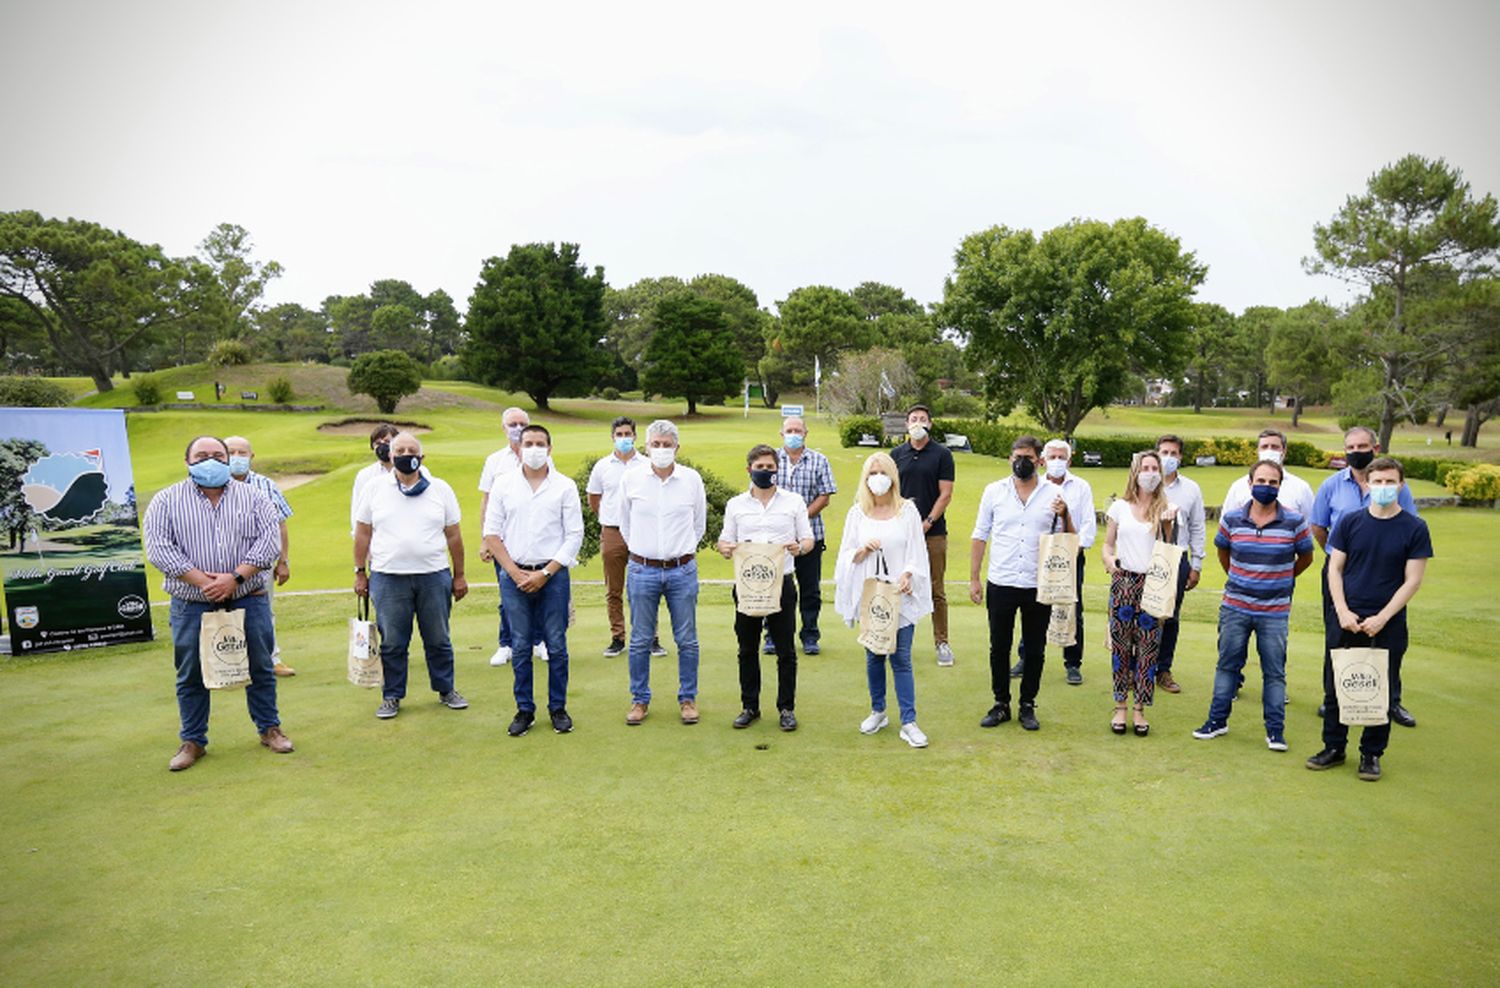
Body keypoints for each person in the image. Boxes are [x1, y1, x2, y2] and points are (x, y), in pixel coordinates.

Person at [143, 436, 293, 771]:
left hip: (247, 596)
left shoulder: (254, 497)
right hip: (191, 603)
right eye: (202, 455)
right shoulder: (166, 501)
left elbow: (269, 542)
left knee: (260, 666)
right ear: (187, 461)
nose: (210, 460)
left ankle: (270, 729)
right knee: (190, 673)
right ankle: (193, 740)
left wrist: (233, 579)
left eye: (217, 455)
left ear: (227, 460)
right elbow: (159, 549)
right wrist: (204, 581)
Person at [1308, 458, 1432, 781]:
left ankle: (1371, 754)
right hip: (1346, 616)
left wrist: (1382, 617)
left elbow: (1413, 580)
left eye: (1390, 482)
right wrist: (1343, 610)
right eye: (1377, 482)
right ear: (1367, 485)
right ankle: (1333, 747)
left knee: (1380, 687)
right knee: (1337, 684)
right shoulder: (1349, 522)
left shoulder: (1414, 528)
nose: (1383, 488)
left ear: (1401, 485)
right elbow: (1334, 568)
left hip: (1387, 620)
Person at [1193, 460, 1314, 750]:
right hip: (1235, 606)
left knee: (1274, 672)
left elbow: (1306, 558)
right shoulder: (1233, 519)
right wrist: (1239, 577)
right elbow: (1223, 551)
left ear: (1280, 486)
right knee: (1227, 666)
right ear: (1249, 484)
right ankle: (1216, 721)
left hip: (1274, 611)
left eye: (1273, 482)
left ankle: (1275, 731)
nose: (1266, 486)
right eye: (1261, 481)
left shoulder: (1294, 521)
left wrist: (1282, 577)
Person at [353, 432, 470, 720]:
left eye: (412, 450)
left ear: (422, 457)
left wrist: (460, 575)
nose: (406, 454)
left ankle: (446, 689)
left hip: (434, 575)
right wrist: (359, 572)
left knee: (438, 638)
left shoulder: (440, 489)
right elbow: (363, 532)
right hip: (388, 577)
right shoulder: (374, 488)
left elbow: (453, 535)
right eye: (400, 450)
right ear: (391, 456)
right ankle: (392, 695)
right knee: (393, 641)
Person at [1310, 426, 1420, 727]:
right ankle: (1333, 697)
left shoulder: (1397, 487)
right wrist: (1338, 556)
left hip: (1386, 575)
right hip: (1340, 570)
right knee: (1337, 635)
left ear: (1376, 447)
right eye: (1350, 447)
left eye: (1361, 446)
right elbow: (1319, 527)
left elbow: (1408, 523)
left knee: (1391, 640)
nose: (1355, 451)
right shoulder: (1331, 485)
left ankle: (1391, 701)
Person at [484, 424, 583, 737]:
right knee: (521, 643)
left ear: (550, 449)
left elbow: (574, 535)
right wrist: (514, 572)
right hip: (513, 574)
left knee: (556, 642)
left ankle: (558, 708)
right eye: (529, 443)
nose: (534, 448)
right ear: (518, 448)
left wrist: (545, 573)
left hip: (552, 575)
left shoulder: (565, 486)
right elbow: (492, 534)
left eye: (540, 443)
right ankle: (524, 709)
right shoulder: (503, 485)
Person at [834, 452, 933, 748]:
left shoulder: (907, 511)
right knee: (874, 655)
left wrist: (909, 575)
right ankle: (878, 710)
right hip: (871, 596)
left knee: (901, 657)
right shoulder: (858, 513)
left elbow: (917, 552)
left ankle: (909, 721)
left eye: (882, 471)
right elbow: (844, 555)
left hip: (898, 595)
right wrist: (861, 551)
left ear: (892, 476)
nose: (877, 477)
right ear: (865, 478)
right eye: (872, 473)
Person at [970, 436, 1068, 732]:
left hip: (1038, 583)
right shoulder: (994, 492)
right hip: (1001, 579)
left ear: (1039, 460)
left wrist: (1066, 513)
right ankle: (1001, 703)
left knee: (1035, 649)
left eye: (1027, 456)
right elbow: (980, 533)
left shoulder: (1054, 493)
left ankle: (1028, 704)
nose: (1020, 461)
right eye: (1016, 456)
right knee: (999, 646)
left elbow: (1066, 538)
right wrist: (974, 577)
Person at [717, 444, 814, 731]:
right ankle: (750, 706)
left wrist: (800, 548)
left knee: (786, 650)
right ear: (749, 470)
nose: (765, 472)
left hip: (781, 583)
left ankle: (786, 708)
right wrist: (725, 548)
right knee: (747, 648)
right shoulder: (736, 505)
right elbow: (725, 540)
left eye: (770, 468)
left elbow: (807, 539)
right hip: (747, 586)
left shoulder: (793, 502)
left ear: (777, 470)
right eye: (760, 467)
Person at [619, 419, 706, 726]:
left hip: (682, 570)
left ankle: (687, 698)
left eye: (666, 445)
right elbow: (625, 523)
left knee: (687, 639)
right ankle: (639, 700)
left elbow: (698, 524)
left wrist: (679, 552)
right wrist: (645, 553)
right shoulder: (632, 479)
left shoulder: (691, 480)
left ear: (676, 447)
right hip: (642, 569)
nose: (661, 449)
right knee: (641, 639)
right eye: (655, 444)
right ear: (646, 446)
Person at [1101, 451, 1180, 737]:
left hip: (1154, 585)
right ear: (1135, 472)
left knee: (1148, 648)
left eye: (1154, 468)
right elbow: (1107, 546)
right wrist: (1110, 563)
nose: (1150, 472)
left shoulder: (1166, 507)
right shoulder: (1120, 507)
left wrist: (1168, 523)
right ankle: (1120, 706)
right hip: (1124, 582)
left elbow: (1169, 549)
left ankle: (1139, 710)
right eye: (1145, 467)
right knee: (1121, 647)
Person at [1010, 438, 1095, 686]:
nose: (1057, 461)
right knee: (1034, 606)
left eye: (1062, 457)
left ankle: (1073, 663)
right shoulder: (1033, 485)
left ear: (1069, 460)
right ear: (1042, 460)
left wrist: (1076, 548)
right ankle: (1027, 658)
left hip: (1071, 555)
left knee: (1072, 606)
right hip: (1039, 556)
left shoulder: (1081, 487)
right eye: (1052, 457)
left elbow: (1088, 523)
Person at [585, 416, 662, 659]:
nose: (624, 439)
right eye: (619, 435)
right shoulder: (602, 466)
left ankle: (651, 637)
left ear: (635, 436)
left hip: (642, 531)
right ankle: (618, 637)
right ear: (612, 437)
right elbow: (594, 498)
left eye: (628, 434)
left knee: (646, 586)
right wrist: (610, 517)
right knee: (614, 588)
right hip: (613, 531)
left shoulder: (647, 463)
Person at [763, 415, 837, 656]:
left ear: (806, 433)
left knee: (809, 588)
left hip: (810, 535)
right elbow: (761, 492)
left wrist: (800, 521)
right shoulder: (770, 460)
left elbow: (824, 496)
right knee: (774, 587)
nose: (793, 434)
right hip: (775, 537)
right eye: (789, 430)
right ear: (781, 433)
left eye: (798, 430)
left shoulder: (819, 460)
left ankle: (810, 635)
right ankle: (772, 636)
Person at [478, 406, 545, 667]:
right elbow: (486, 501)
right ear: (503, 428)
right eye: (512, 424)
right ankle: (506, 643)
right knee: (508, 594)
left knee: (539, 593)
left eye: (521, 423)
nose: (517, 428)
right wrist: (485, 538)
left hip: (536, 539)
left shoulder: (542, 458)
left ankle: (538, 641)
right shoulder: (495, 461)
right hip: (503, 540)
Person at [890, 404, 956, 666]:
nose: (918, 422)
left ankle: (942, 643)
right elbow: (889, 492)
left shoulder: (942, 454)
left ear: (930, 424)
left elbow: (946, 494)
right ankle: (890, 637)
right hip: (899, 533)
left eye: (923, 419)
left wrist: (926, 522)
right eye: (913, 419)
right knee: (895, 584)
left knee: (935, 589)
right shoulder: (896, 454)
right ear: (907, 424)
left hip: (933, 532)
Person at [225, 435, 296, 677]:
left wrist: (283, 561)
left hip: (260, 565)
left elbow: (281, 525)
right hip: (222, 565)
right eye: (231, 452)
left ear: (251, 456)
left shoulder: (266, 485)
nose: (236, 457)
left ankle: (271, 659)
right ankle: (229, 663)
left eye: (242, 453)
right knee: (224, 613)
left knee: (263, 611)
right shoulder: (211, 485)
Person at [1154, 434, 1206, 694]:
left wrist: (1196, 564)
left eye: (1174, 453)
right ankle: (1135, 668)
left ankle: (1163, 669)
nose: (1169, 458)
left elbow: (1197, 527)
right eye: (1164, 452)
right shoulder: (1145, 483)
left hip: (1178, 557)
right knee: (1143, 614)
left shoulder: (1191, 489)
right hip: (1147, 557)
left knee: (1170, 617)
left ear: (1181, 457)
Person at [1222, 429, 1316, 522]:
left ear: (1284, 451)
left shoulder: (1301, 488)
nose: (1269, 450)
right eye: (1264, 447)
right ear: (1258, 450)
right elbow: (1226, 522)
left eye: (1275, 447)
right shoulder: (1238, 487)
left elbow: (1310, 524)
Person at [350, 422, 402, 536]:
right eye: (378, 443)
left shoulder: (410, 472)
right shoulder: (365, 475)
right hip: (376, 539)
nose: (382, 446)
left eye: (387, 442)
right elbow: (357, 511)